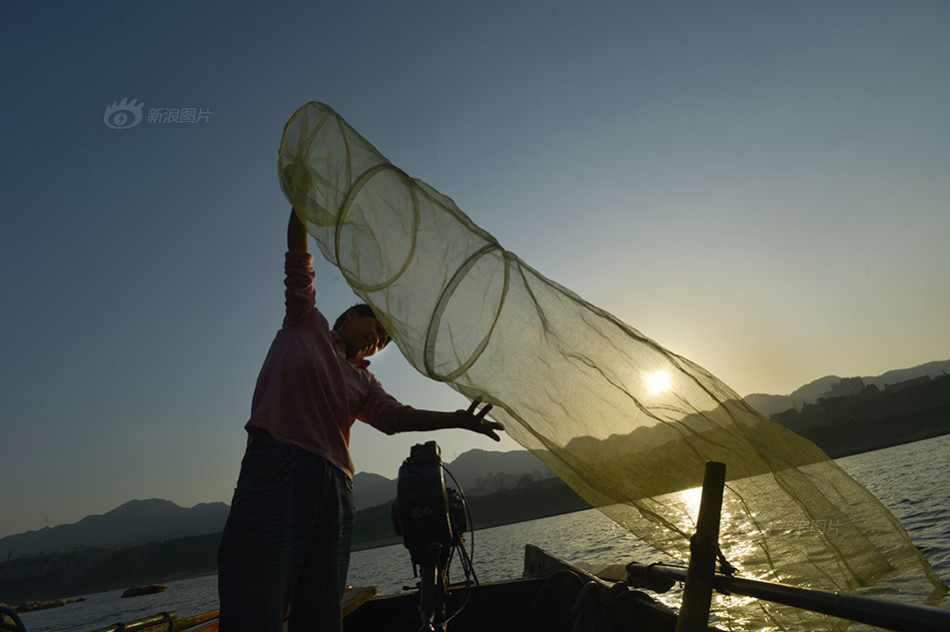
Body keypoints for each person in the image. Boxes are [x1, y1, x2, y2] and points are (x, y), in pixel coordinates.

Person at [217, 208, 503, 632]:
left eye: (385, 341)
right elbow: (298, 256)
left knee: (320, 613)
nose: (379, 340)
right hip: (279, 469)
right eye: (376, 328)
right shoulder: (305, 322)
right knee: (255, 606)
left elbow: (396, 417)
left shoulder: (365, 380)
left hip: (335, 489)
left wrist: (458, 419)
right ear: (351, 317)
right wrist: (302, 202)